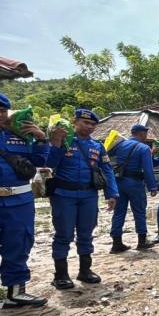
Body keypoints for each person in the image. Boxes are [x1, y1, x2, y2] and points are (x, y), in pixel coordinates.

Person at [47, 109, 119, 289]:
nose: (89, 126)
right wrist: (56, 143)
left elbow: (107, 170)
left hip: (88, 195)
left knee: (86, 233)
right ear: (75, 122)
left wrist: (111, 194)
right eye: (86, 123)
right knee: (64, 234)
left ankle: (85, 270)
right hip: (64, 195)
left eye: (93, 124)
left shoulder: (97, 146)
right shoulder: (63, 141)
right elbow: (48, 165)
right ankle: (61, 274)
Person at [0, 92, 51, 307]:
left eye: (2, 111)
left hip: (19, 199)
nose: (0, 115)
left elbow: (38, 161)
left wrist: (41, 138)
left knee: (20, 242)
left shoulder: (18, 135)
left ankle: (16, 292)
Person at [109, 123, 158, 253]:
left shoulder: (120, 145)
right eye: (146, 133)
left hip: (119, 182)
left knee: (119, 212)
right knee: (139, 212)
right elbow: (148, 170)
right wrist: (152, 186)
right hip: (135, 183)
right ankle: (142, 242)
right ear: (141, 133)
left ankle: (116, 243)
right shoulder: (143, 148)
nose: (146, 136)